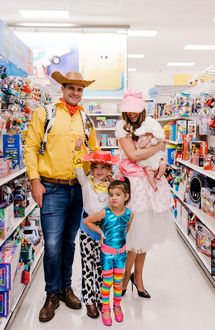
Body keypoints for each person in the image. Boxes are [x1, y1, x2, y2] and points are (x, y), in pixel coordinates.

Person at [24, 71, 99, 322]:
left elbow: (95, 152)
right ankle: (51, 294)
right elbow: (31, 147)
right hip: (51, 188)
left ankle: (67, 288)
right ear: (63, 89)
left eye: (80, 89)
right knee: (53, 245)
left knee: (69, 243)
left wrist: (101, 181)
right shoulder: (45, 114)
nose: (75, 93)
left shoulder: (86, 120)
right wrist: (35, 180)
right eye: (71, 88)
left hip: (78, 189)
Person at [115, 89, 173, 299]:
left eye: (135, 109)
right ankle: (124, 277)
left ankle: (138, 278)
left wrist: (163, 159)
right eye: (128, 110)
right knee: (132, 234)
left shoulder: (151, 123)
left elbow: (161, 153)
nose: (132, 113)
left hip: (149, 185)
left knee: (144, 234)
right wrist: (158, 146)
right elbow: (132, 154)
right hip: (131, 185)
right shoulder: (121, 127)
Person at [73, 141, 118, 319]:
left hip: (104, 231)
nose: (99, 171)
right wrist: (77, 151)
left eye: (103, 168)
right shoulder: (85, 182)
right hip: (86, 229)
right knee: (87, 265)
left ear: (109, 170)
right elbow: (77, 167)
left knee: (101, 266)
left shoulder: (111, 187)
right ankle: (89, 300)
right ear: (91, 168)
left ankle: (101, 298)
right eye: (96, 167)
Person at [84, 180, 133, 326]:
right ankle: (105, 308)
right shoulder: (105, 212)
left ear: (126, 196)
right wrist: (100, 232)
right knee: (107, 283)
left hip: (121, 254)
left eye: (118, 194)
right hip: (106, 255)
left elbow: (126, 228)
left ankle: (117, 306)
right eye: (111, 194)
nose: (114, 198)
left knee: (118, 283)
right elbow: (87, 221)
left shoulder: (130, 214)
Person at [135, 116, 167, 190]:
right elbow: (140, 146)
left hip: (156, 156)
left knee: (163, 163)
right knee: (149, 170)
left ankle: (159, 175)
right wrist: (148, 140)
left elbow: (161, 144)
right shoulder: (142, 138)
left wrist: (158, 139)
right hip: (148, 159)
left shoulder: (155, 137)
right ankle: (153, 184)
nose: (149, 134)